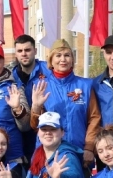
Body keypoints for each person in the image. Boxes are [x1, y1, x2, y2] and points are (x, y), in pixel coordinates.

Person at [29, 39, 101, 169]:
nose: (63, 59)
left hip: (79, 153)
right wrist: (36, 108)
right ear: (51, 60)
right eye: (58, 55)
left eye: (67, 55)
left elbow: (94, 118)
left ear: (72, 59)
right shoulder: (41, 86)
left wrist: (89, 147)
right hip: (49, 154)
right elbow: (35, 126)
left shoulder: (85, 85)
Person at [11, 34, 52, 159]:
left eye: (27, 50)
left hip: (46, 130)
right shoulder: (10, 76)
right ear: (16, 53)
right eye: (20, 51)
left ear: (35, 51)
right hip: (20, 134)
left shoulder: (49, 70)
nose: (24, 54)